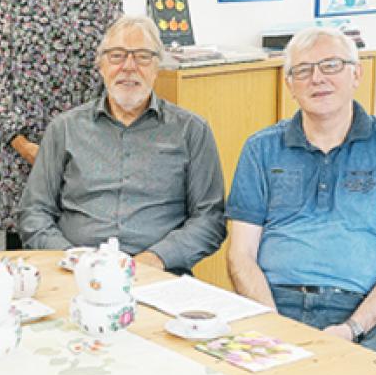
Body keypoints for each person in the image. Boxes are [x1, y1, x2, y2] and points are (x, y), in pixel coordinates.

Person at [226, 27, 376, 363]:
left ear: (357, 74)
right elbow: (241, 255)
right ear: (290, 85)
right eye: (303, 70)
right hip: (273, 304)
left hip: (363, 310)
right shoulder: (260, 148)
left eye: (330, 66)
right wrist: (271, 323)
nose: (317, 79)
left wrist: (352, 327)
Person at [18, 15, 227, 274]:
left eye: (142, 56)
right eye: (116, 56)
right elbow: (34, 212)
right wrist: (73, 257)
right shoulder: (64, 129)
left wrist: (155, 259)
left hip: (159, 275)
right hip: (75, 274)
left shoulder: (191, 131)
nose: (129, 66)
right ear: (101, 65)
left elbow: (210, 219)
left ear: (157, 66)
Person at [0, 0, 124, 249]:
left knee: (85, 254)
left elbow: (115, 67)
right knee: (25, 265)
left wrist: (86, 144)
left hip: (85, 150)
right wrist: (26, 146)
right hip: (20, 150)